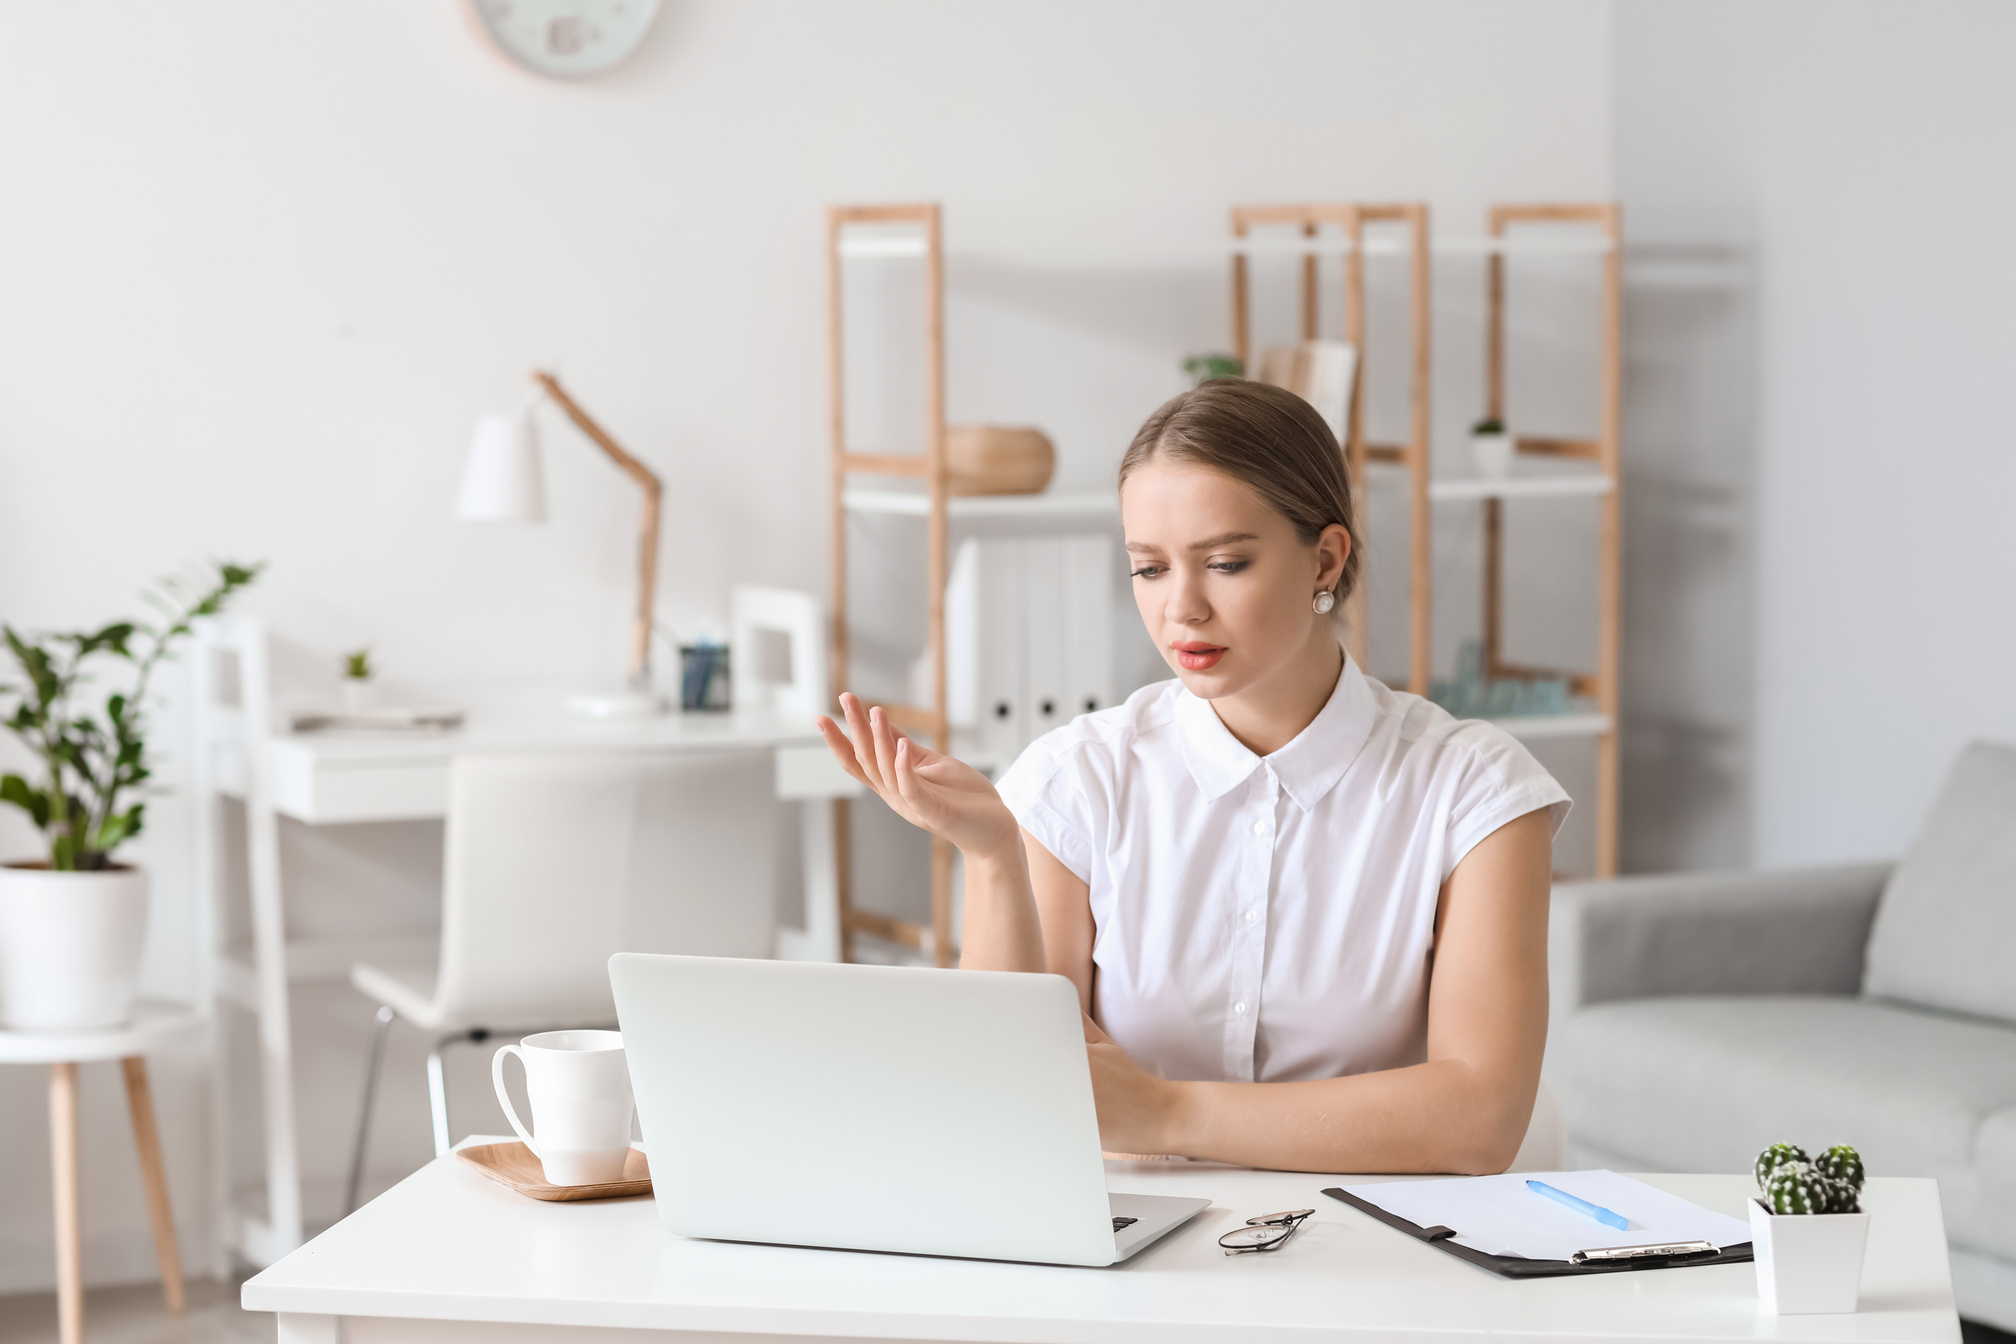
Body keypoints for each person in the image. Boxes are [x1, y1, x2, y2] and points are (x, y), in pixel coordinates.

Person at [816, 379, 1569, 1174]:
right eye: (1149, 569)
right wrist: (995, 858)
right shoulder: (1078, 779)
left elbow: (1479, 1119)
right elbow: (1003, 1100)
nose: (1182, 609)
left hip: (1383, 1254)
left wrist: (1166, 1110)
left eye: (1226, 563)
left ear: (1326, 557)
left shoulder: (1475, 792)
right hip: (1127, 1250)